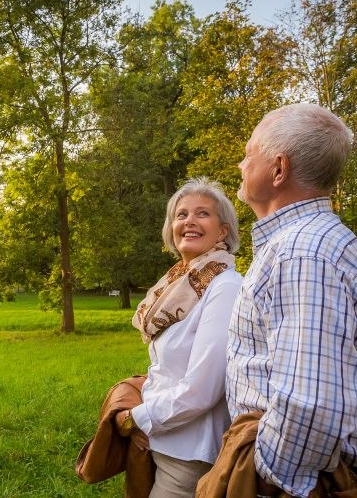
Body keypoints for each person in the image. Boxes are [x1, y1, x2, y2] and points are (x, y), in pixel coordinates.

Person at [226, 103, 357, 497]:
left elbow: (310, 402)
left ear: (278, 169)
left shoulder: (302, 252)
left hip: (324, 481)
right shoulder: (308, 242)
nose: (241, 164)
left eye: (249, 153)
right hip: (324, 473)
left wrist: (267, 479)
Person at [115, 177, 243, 497]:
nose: (189, 221)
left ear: (223, 231)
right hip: (162, 438)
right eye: (181, 214)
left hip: (190, 454)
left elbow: (203, 390)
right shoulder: (178, 284)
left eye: (203, 213)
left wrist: (135, 419)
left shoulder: (225, 287)